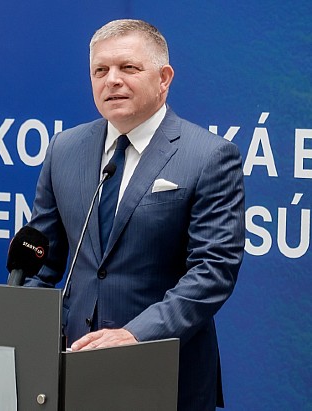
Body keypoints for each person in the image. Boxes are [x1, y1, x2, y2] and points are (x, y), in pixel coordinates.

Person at [21, 19, 244, 410]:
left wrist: (135, 335)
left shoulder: (209, 156)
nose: (112, 80)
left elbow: (213, 270)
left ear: (164, 78)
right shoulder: (64, 149)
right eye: (100, 70)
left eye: (128, 67)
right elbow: (41, 262)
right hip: (72, 367)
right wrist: (19, 324)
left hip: (164, 372)